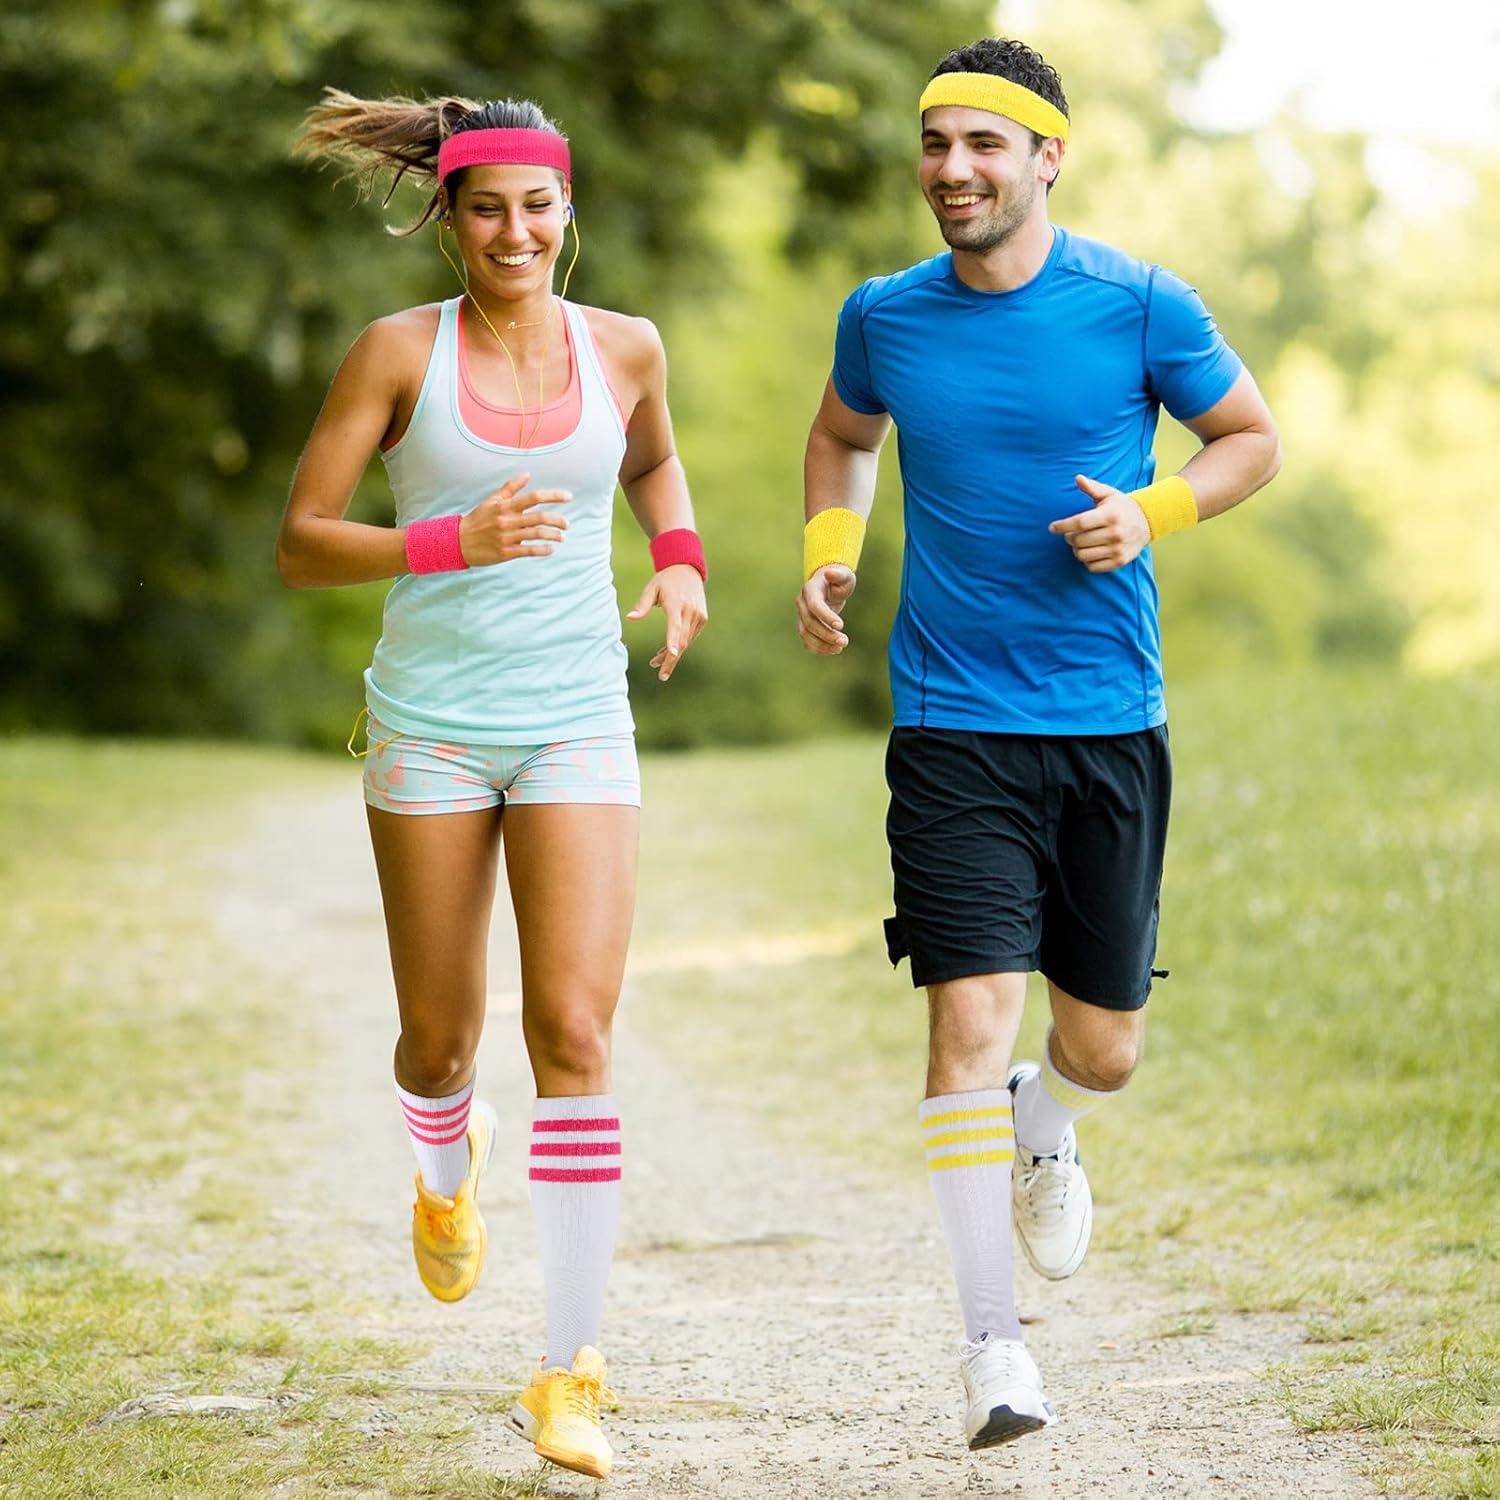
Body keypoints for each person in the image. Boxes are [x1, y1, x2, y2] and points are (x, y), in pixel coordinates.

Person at [795, 38, 1280, 1449]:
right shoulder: (885, 315)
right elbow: (841, 437)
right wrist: (832, 551)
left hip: (1108, 724)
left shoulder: (1136, 303)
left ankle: (1048, 1123)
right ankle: (994, 1353)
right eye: (935, 145)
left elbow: (1248, 437)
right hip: (952, 726)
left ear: (1046, 158)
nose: (952, 170)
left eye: (983, 147)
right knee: (963, 1017)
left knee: (1106, 1049)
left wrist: (1154, 514)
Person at [279, 90, 708, 1481]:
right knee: (441, 1043)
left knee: (575, 1030)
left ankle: (570, 1371)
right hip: (435, 728)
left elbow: (646, 456)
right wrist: (444, 540)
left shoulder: (627, 347)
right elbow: (302, 539)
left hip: (579, 714)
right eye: (486, 207)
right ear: (450, 216)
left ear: (565, 209)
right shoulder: (397, 352)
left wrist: (682, 554)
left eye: (538, 205)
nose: (514, 230)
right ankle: (442, 1167)